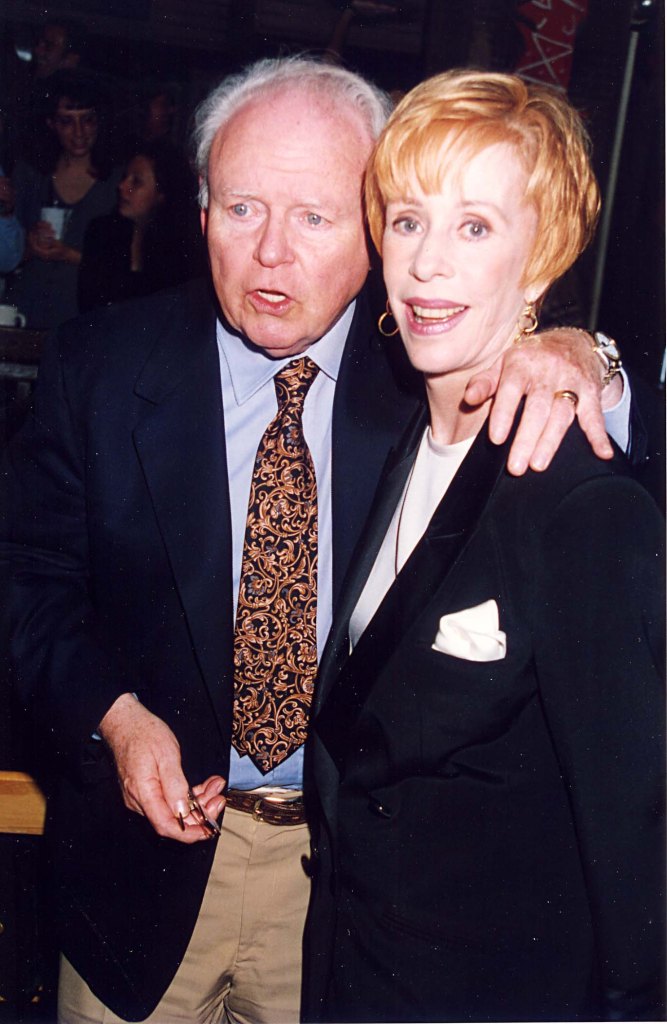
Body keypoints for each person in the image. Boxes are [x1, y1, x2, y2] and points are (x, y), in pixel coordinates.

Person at [3, 58, 638, 1024]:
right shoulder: (103, 364)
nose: (270, 257)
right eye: (241, 208)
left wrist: (588, 356)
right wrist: (114, 716)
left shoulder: (433, 367)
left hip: (347, 904)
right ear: (199, 208)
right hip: (140, 888)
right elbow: (25, 577)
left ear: (370, 228)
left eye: (314, 217)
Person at [305, 69, 665, 1023]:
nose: (426, 265)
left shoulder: (579, 505)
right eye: (410, 219)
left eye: (475, 227)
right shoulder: (395, 443)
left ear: (541, 256)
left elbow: (637, 848)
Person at [8, 71, 118, 328]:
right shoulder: (30, 175)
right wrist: (28, 248)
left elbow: (120, 271)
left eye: (87, 120)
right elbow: (7, 257)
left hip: (84, 320)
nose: (79, 132)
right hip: (26, 314)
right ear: (51, 124)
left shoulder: (118, 182)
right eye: (67, 121)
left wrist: (69, 254)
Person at [78, 139, 205, 312]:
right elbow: (90, 305)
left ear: (161, 194)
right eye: (124, 177)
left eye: (136, 182)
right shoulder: (100, 232)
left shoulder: (179, 249)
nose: (122, 186)